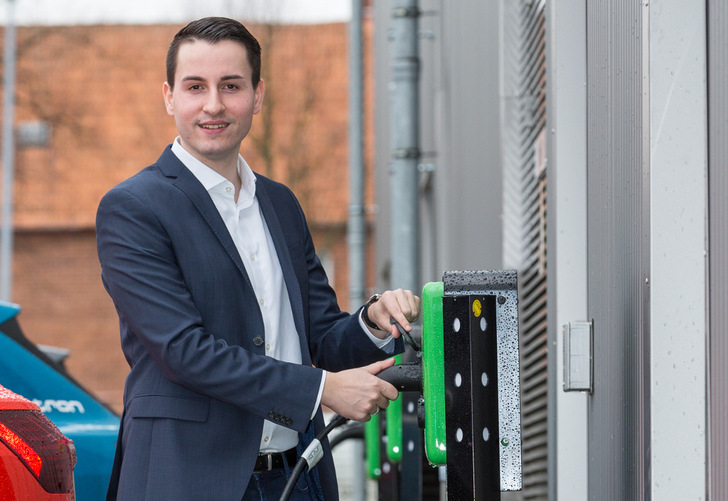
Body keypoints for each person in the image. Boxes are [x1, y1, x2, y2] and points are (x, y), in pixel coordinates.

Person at [95, 16, 420, 501]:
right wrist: (320, 390)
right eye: (195, 86)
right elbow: (184, 352)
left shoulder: (280, 203)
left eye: (231, 86)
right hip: (188, 480)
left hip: (297, 479)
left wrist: (372, 321)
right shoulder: (134, 208)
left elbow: (320, 341)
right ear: (169, 97)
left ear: (257, 95)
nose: (213, 104)